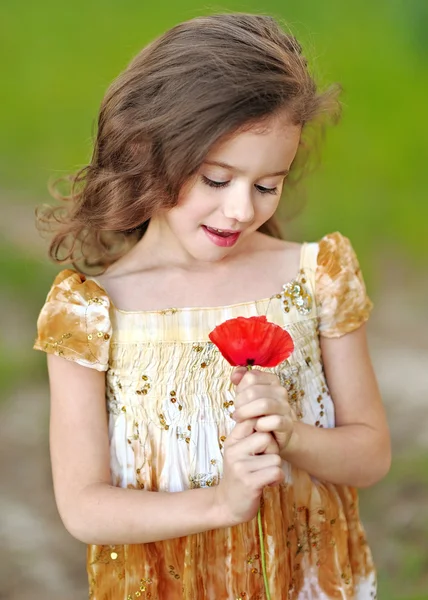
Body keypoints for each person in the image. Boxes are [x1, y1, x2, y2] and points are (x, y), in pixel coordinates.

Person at [33, 12, 391, 600]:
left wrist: (292, 436)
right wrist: (220, 503)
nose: (241, 212)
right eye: (217, 180)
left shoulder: (315, 276)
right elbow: (84, 507)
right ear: (148, 149)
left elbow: (371, 455)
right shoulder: (92, 312)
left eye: (267, 185)